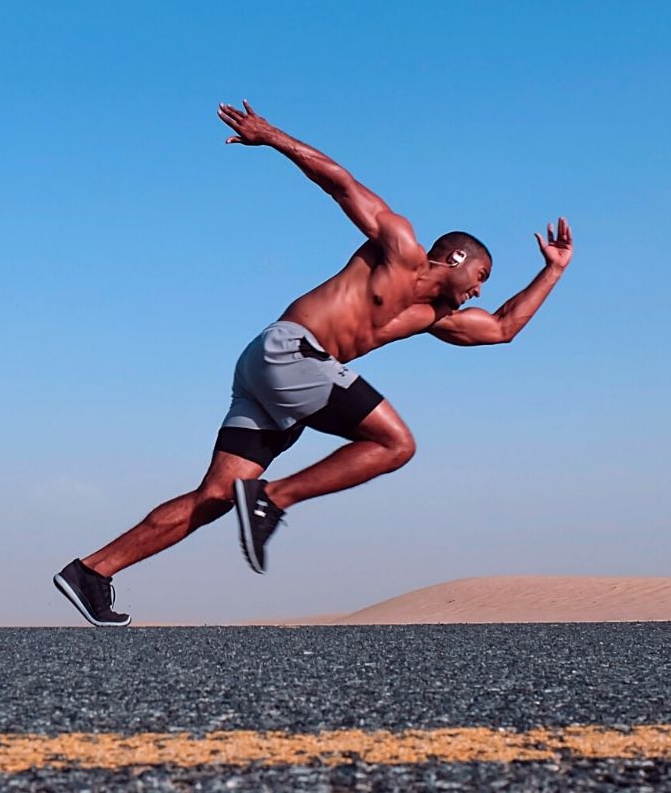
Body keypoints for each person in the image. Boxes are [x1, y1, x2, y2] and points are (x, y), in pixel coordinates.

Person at [53, 101, 573, 627]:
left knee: (215, 496)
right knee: (397, 444)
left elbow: (504, 328)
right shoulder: (399, 246)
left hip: (277, 377)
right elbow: (340, 183)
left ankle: (93, 571)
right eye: (481, 275)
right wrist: (271, 136)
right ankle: (273, 500)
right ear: (456, 260)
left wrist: (551, 272)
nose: (482, 289)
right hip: (289, 352)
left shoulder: (432, 316)